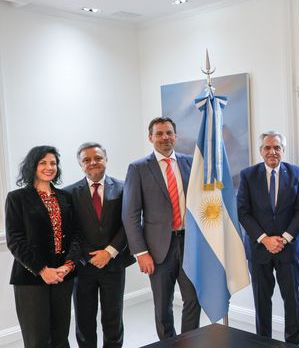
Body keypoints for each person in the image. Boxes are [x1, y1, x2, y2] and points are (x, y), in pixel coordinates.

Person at [122, 117, 201, 340]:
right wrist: (141, 253)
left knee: (193, 300)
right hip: (157, 249)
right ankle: (169, 344)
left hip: (189, 243)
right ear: (150, 138)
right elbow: (130, 214)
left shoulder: (190, 163)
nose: (165, 137)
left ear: (175, 136)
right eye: (159, 133)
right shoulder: (138, 168)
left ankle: (190, 342)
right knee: (163, 305)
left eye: (169, 133)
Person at [237, 131, 299, 345]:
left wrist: (284, 239)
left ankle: (292, 343)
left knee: (292, 301)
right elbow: (243, 211)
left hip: (289, 249)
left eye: (277, 147)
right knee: (261, 302)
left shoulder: (296, 173)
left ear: (283, 150)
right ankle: (264, 343)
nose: (272, 152)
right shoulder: (248, 175)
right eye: (267, 148)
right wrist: (265, 239)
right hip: (259, 250)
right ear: (261, 151)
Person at [5, 145, 80, 348]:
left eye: (53, 163)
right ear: (33, 166)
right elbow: (15, 240)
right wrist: (42, 270)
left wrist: (68, 266)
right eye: (43, 163)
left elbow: (75, 235)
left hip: (63, 276)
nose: (49, 167)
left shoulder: (65, 197)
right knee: (37, 340)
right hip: (31, 278)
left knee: (60, 337)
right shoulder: (17, 198)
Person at [64, 142, 135, 348]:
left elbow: (129, 223)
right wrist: (87, 256)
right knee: (84, 320)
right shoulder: (69, 193)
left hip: (113, 264)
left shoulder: (123, 188)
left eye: (97, 158)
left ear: (106, 159)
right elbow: (70, 230)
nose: (93, 162)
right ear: (80, 164)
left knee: (113, 318)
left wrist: (109, 252)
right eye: (86, 160)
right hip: (82, 267)